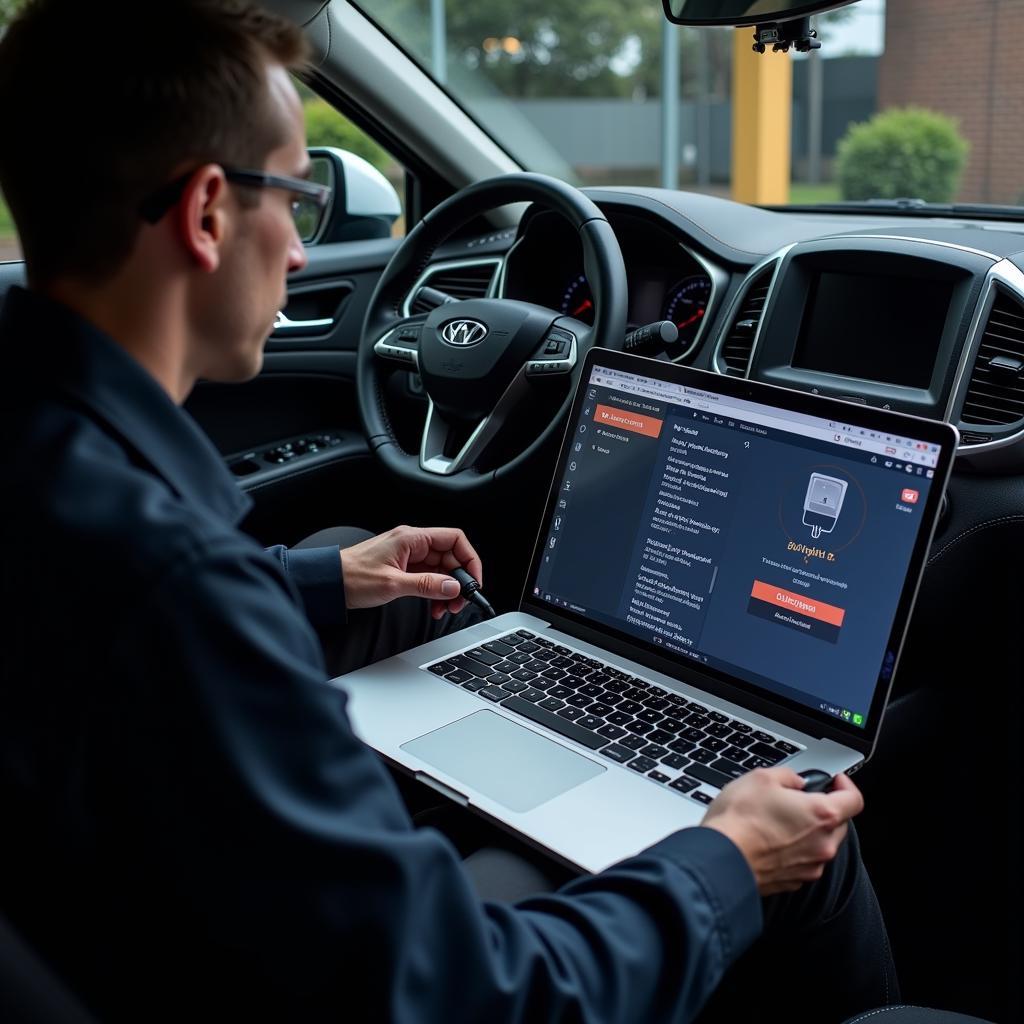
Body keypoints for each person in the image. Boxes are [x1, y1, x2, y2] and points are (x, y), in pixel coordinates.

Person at [0, 2, 924, 1022]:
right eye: (298, 200)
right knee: (802, 840)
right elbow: (471, 995)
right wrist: (729, 862)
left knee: (378, 572)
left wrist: (321, 580)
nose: (303, 254)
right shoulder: (178, 593)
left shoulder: (50, 465)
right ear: (207, 213)